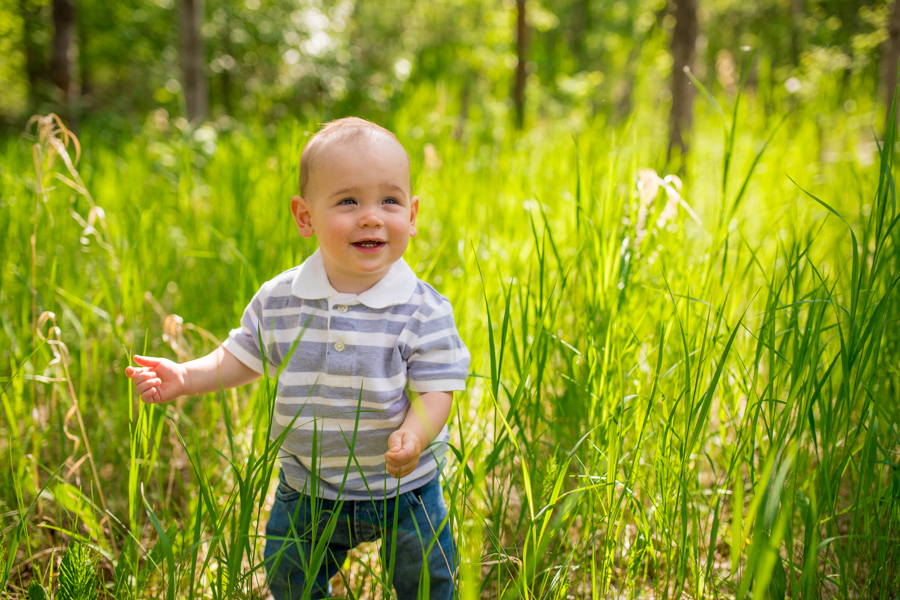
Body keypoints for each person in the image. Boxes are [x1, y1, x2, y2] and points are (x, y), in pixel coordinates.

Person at [124, 117, 470, 600]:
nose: (371, 216)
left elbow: (437, 389)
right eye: (348, 201)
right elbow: (242, 356)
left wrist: (415, 435)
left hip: (405, 489)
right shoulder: (282, 298)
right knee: (291, 580)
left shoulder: (423, 307)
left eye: (388, 200)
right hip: (307, 486)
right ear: (305, 217)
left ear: (411, 215)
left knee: (429, 583)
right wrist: (185, 374)